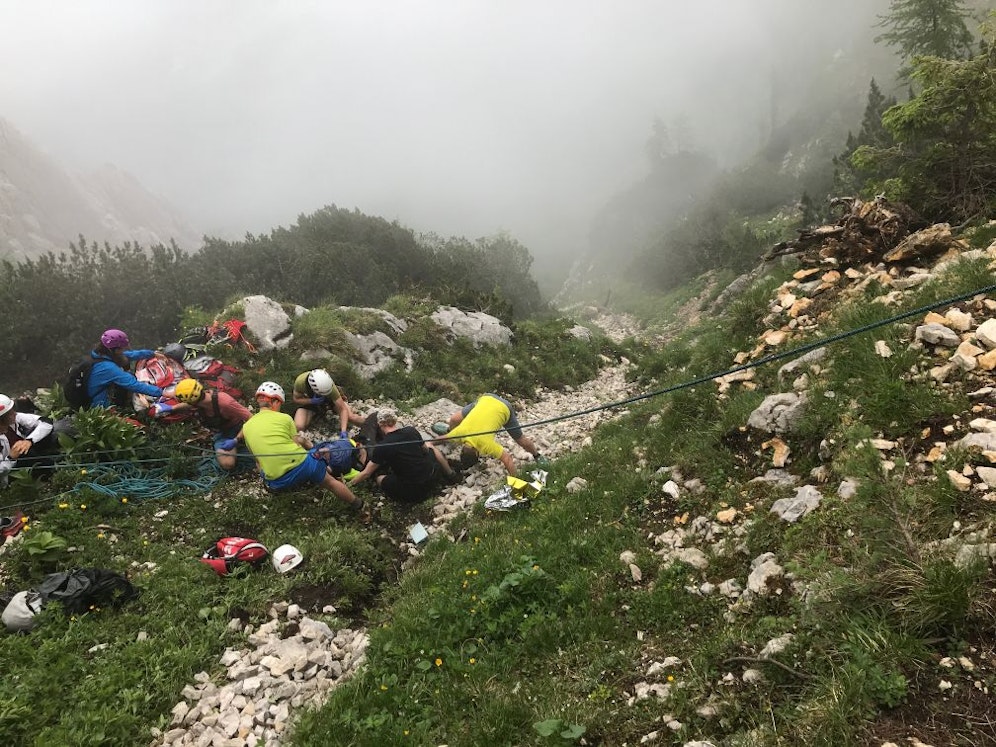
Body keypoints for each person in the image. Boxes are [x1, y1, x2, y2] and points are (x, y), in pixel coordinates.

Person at [242, 381, 368, 518]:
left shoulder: (246, 427)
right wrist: (313, 449)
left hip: (277, 482)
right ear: (275, 402)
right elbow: (297, 442)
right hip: (302, 465)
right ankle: (359, 505)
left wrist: (268, 478)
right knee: (330, 482)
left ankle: (290, 488)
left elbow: (258, 460)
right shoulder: (284, 418)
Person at [349, 409, 461, 503]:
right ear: (395, 421)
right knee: (430, 445)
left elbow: (366, 473)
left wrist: (349, 484)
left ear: (380, 424)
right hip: (432, 478)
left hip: (413, 493)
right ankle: (450, 474)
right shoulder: (411, 431)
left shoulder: (382, 447)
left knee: (379, 478)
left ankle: (398, 498)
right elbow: (425, 450)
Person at [438, 393, 544, 476]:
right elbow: (436, 440)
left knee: (520, 439)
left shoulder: (485, 444)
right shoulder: (459, 434)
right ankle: (449, 431)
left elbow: (508, 459)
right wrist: (430, 442)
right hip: (486, 399)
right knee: (454, 419)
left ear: (477, 453)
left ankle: (537, 455)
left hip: (503, 408)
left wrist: (517, 486)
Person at [173, 379, 253, 471]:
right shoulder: (200, 401)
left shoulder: (225, 402)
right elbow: (189, 405)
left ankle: (240, 444)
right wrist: (172, 408)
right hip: (221, 432)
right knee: (227, 463)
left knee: (230, 462)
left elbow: (251, 418)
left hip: (236, 428)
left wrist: (236, 439)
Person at [87, 328, 163, 409]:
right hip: (98, 406)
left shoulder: (100, 355)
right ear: (115, 350)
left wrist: (152, 354)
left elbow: (130, 355)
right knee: (133, 422)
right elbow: (133, 384)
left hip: (100, 393)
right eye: (122, 348)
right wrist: (162, 392)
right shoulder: (107, 368)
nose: (123, 350)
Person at [0, 394, 59, 486]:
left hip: (23, 457)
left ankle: (52, 467)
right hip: (10, 474)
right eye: (10, 413)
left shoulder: (15, 419)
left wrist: (29, 441)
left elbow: (46, 423)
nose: (15, 414)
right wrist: (11, 458)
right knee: (27, 454)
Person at [292, 368, 365, 434]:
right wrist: (311, 401)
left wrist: (343, 431)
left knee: (351, 417)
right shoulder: (301, 382)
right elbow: (296, 399)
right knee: (299, 426)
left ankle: (371, 425)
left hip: (329, 399)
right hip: (310, 401)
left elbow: (343, 409)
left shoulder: (330, 387)